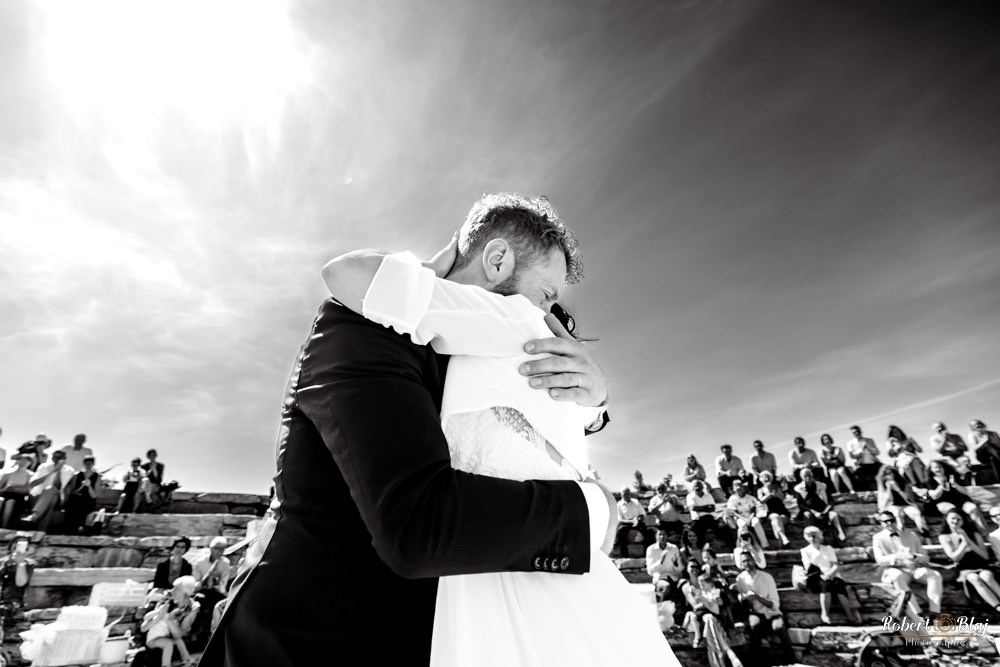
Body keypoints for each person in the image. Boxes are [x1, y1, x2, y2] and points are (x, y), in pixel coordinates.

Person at [202, 195, 661, 667]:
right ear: (498, 259)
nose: (549, 317)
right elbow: (417, 523)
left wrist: (597, 403)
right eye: (545, 294)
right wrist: (594, 512)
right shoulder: (362, 327)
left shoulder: (490, 354)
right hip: (310, 641)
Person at [872, 510, 942, 618]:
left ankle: (935, 613)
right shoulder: (878, 538)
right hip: (896, 569)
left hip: (915, 568)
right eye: (885, 521)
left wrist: (915, 556)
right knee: (897, 576)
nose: (889, 523)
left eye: (892, 520)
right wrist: (896, 557)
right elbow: (879, 559)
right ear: (881, 523)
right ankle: (918, 614)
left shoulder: (911, 534)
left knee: (935, 575)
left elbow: (926, 557)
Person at [735, 551, 795, 666]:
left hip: (771, 612)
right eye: (744, 561)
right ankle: (759, 663)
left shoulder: (766, 577)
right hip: (755, 613)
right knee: (754, 626)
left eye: (749, 560)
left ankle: (791, 661)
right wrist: (742, 598)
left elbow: (774, 604)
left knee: (779, 627)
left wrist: (757, 597)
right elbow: (742, 601)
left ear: (753, 560)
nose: (747, 563)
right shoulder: (740, 579)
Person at [938, 510, 1000, 613]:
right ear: (947, 519)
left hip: (980, 564)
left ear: (963, 521)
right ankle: (997, 607)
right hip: (964, 569)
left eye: (959, 519)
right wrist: (963, 543)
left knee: (986, 576)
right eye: (953, 518)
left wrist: (966, 537)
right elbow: (955, 558)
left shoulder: (974, 534)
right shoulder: (944, 537)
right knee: (973, 578)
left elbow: (984, 556)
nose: (956, 521)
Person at [800, 526, 862, 624]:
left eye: (815, 536)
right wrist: (816, 551)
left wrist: (829, 573)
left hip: (831, 574)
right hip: (815, 577)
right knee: (826, 584)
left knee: (838, 584)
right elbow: (809, 567)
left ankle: (849, 614)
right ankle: (825, 613)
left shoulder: (828, 548)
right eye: (810, 536)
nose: (813, 538)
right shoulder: (805, 551)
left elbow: (835, 565)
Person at [141, 575, 199, 667]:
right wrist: (159, 614)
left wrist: (169, 620)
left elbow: (179, 634)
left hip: (168, 639)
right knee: (167, 644)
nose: (172, 591)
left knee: (178, 641)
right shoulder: (166, 603)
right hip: (154, 640)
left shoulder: (191, 608)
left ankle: (187, 658)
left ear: (185, 593)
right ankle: (166, 665)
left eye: (176, 589)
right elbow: (144, 626)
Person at [920, 460, 990, 535]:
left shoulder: (953, 476)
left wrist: (955, 484)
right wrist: (941, 485)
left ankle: (984, 532)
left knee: (973, 508)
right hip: (943, 504)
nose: (938, 469)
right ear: (931, 469)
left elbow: (965, 491)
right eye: (935, 468)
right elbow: (934, 497)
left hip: (960, 502)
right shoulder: (929, 481)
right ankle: (958, 534)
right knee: (953, 511)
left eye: (940, 467)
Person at [794, 467, 847, 544]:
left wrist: (825, 511)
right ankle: (813, 540)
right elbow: (801, 505)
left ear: (812, 475)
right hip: (810, 512)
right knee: (807, 515)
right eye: (805, 476)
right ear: (802, 477)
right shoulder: (798, 489)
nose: (808, 477)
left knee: (834, 515)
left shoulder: (822, 486)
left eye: (809, 475)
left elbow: (830, 502)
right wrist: (815, 513)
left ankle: (841, 537)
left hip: (825, 511)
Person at [26, 449, 75, 531]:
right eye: (56, 457)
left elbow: (59, 487)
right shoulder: (43, 467)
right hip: (38, 497)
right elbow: (32, 484)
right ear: (52, 458)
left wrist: (58, 471)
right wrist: (52, 472)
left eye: (61, 458)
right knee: (50, 502)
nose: (58, 460)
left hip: (57, 499)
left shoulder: (69, 470)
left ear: (65, 459)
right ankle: (41, 531)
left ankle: (35, 515)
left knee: (51, 490)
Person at [0, 536, 36, 643]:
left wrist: (20, 563)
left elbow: (20, 583)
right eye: (16, 542)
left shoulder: (28, 563)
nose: (18, 546)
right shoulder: (2, 561)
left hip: (12, 601)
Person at [875, 465, 927, 535]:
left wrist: (898, 489)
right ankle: (901, 530)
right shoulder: (882, 485)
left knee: (915, 512)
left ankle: (923, 530)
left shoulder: (903, 483)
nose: (888, 476)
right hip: (892, 506)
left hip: (906, 504)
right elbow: (885, 501)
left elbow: (907, 497)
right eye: (886, 474)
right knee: (897, 513)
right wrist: (888, 489)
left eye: (890, 473)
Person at [646, 528, 686, 615]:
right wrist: (660, 561)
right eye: (660, 534)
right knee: (665, 586)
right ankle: (661, 612)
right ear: (656, 536)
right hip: (660, 577)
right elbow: (650, 571)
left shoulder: (673, 548)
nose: (662, 537)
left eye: (664, 535)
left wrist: (677, 564)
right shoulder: (651, 549)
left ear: (667, 536)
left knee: (685, 584)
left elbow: (679, 569)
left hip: (674, 577)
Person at [61, 456, 101, 535]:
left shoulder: (97, 476)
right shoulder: (77, 475)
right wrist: (82, 486)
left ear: (93, 464)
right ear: (84, 464)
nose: (88, 465)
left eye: (90, 463)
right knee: (73, 504)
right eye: (87, 463)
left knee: (83, 506)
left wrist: (89, 486)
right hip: (76, 498)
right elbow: (73, 491)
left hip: (88, 499)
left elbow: (94, 495)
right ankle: (68, 529)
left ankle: (79, 528)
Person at [724, 479, 768, 548]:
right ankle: (745, 547)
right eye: (736, 487)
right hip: (739, 517)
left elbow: (753, 509)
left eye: (740, 486)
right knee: (742, 525)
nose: (739, 488)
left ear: (743, 487)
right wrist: (744, 519)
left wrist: (750, 518)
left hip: (750, 516)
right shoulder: (732, 499)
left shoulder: (750, 497)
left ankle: (765, 545)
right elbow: (734, 512)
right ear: (734, 489)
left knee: (756, 522)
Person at [756, 471, 790, 546]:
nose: (767, 479)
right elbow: (761, 500)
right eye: (764, 477)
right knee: (775, 517)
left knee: (775, 521)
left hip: (782, 512)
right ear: (761, 480)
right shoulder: (760, 490)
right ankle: (784, 538)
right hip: (770, 512)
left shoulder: (776, 487)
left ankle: (781, 542)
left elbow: (783, 498)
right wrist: (769, 495)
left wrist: (776, 494)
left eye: (768, 477)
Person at [616, 487, 653, 557]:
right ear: (621, 495)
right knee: (621, 532)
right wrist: (631, 521)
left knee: (649, 532)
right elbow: (620, 519)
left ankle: (647, 555)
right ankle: (625, 555)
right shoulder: (619, 504)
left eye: (627, 493)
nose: (626, 495)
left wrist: (639, 518)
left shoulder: (636, 502)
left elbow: (643, 513)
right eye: (624, 494)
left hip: (637, 521)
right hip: (626, 523)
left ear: (630, 494)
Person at [0, 454, 34, 528]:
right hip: (5, 494)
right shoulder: (8, 474)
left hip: (19, 497)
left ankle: (3, 526)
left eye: (26, 460)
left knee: (10, 502)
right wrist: (6, 489)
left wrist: (15, 488)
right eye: (21, 460)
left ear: (30, 463)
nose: (23, 462)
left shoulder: (30, 475)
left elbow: (28, 490)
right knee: (1, 501)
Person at [686, 479, 722, 548]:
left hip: (709, 517)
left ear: (702, 487)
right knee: (696, 531)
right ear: (692, 488)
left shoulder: (708, 495)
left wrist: (699, 508)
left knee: (723, 528)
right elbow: (693, 508)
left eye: (699, 485)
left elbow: (712, 508)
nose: (697, 487)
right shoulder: (690, 496)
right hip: (697, 519)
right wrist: (706, 507)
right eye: (695, 486)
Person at [845, 425, 882, 490]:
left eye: (857, 431)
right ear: (852, 434)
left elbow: (877, 452)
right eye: (854, 432)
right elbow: (852, 456)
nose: (856, 433)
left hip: (873, 462)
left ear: (860, 431)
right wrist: (861, 450)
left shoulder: (869, 440)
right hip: (861, 464)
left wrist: (869, 448)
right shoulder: (850, 443)